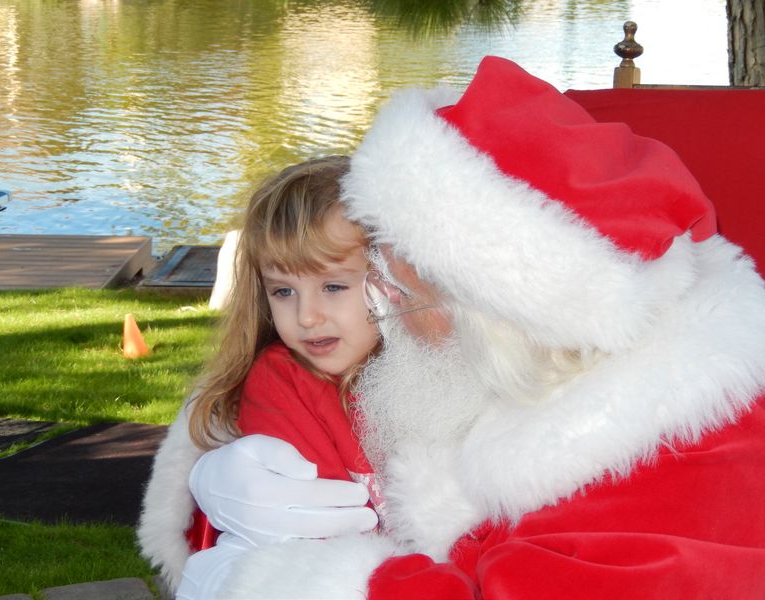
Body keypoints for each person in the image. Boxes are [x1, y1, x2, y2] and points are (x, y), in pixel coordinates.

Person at [145, 57, 765, 598]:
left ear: (496, 306)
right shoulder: (515, 367)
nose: (380, 307)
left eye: (395, 285)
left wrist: (278, 582)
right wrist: (211, 492)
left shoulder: (685, 460)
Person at [138, 156, 381, 595]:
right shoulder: (281, 381)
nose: (307, 316)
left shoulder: (430, 373)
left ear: (389, 278)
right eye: (283, 291)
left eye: (333, 287)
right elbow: (310, 527)